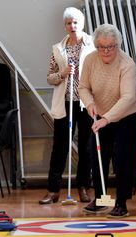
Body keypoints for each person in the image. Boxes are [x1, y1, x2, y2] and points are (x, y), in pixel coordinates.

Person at [78, 24, 136, 218]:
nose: (106, 51)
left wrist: (107, 119)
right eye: (101, 46)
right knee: (98, 154)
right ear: (96, 46)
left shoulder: (127, 64)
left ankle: (121, 202)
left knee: (122, 156)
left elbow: (127, 98)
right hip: (101, 112)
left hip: (129, 113)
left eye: (111, 46)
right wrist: (90, 104)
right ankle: (101, 200)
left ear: (118, 45)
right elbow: (83, 87)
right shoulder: (90, 60)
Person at [39, 7, 95, 204]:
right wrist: (63, 73)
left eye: (75, 22)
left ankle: (83, 188)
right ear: (65, 25)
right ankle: (53, 190)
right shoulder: (57, 49)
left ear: (82, 23)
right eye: (68, 23)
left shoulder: (93, 45)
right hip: (65, 103)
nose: (72, 26)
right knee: (60, 147)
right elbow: (50, 78)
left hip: (87, 103)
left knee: (86, 147)